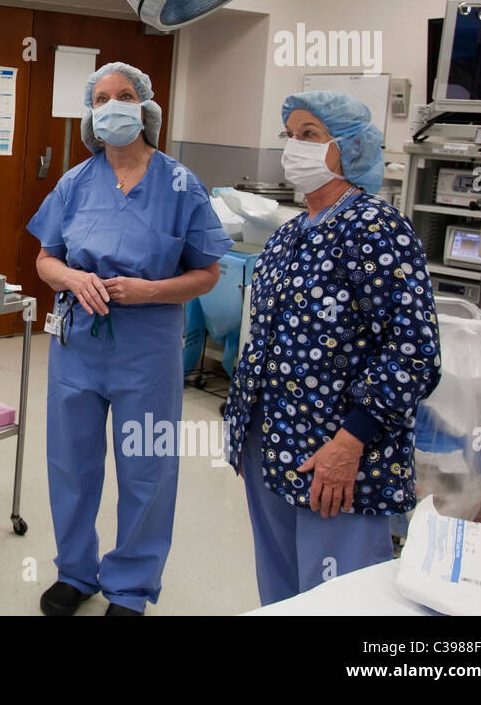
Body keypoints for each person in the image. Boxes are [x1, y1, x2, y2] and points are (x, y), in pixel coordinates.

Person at [28, 62, 231, 616]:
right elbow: (45, 258)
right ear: (90, 113)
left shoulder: (180, 183)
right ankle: (75, 572)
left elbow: (209, 272)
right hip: (77, 347)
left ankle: (132, 587)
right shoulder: (75, 182)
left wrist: (151, 290)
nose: (111, 105)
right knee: (71, 462)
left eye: (122, 95)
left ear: (145, 107)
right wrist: (70, 277)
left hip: (148, 349)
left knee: (146, 466)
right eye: (100, 98)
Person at [225, 90, 440, 605]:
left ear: (350, 148)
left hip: (337, 453)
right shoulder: (288, 234)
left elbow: (414, 350)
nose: (294, 147)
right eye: (289, 136)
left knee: (338, 598)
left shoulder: (376, 227)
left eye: (310, 136)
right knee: (281, 592)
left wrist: (350, 442)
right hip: (268, 441)